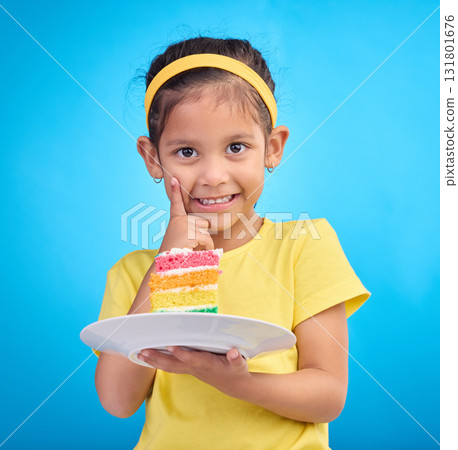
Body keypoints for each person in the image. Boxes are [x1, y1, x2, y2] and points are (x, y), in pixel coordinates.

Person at [93, 36, 371, 449]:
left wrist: (239, 383)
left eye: (236, 147)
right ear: (153, 159)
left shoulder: (303, 246)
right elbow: (118, 401)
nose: (213, 175)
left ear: (272, 148)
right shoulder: (135, 273)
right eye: (186, 151)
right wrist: (170, 265)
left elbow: (328, 397)